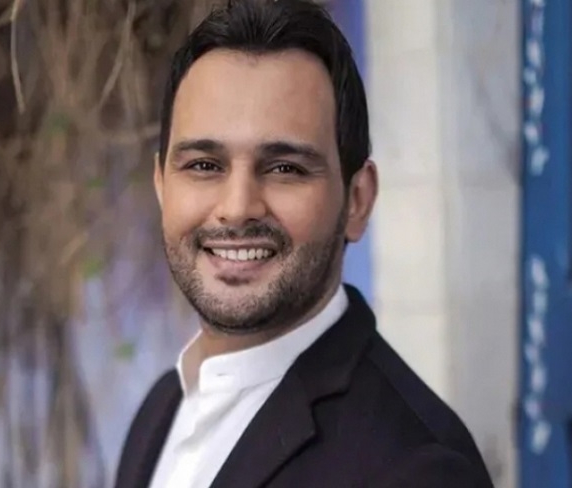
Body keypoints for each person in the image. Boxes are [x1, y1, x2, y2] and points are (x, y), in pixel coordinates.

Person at [115, 0, 493, 486]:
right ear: (162, 185)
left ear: (357, 200)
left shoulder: (417, 467)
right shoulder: (163, 407)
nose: (238, 207)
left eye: (285, 168)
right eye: (204, 165)